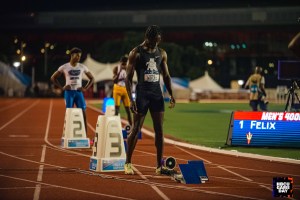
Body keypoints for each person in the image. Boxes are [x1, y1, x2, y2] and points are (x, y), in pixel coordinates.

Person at [124, 25, 175, 175]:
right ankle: (127, 163)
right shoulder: (136, 53)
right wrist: (131, 99)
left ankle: (159, 166)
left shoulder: (162, 53)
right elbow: (128, 78)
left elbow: (166, 76)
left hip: (157, 95)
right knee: (136, 129)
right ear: (148, 38)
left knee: (159, 130)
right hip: (142, 94)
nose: (156, 44)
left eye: (158, 41)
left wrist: (171, 94)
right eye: (154, 41)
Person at [50, 47, 94, 136]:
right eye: (77, 56)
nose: (79, 57)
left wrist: (85, 88)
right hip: (69, 93)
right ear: (72, 55)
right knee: (69, 114)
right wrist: (62, 87)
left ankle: (85, 136)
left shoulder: (82, 67)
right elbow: (53, 78)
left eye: (80, 56)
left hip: (78, 93)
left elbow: (92, 78)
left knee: (83, 114)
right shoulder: (64, 67)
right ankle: (67, 134)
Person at [112, 55, 133, 126]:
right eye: (123, 63)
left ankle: (132, 126)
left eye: (125, 63)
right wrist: (119, 71)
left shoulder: (129, 69)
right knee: (117, 109)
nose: (124, 65)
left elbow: (130, 80)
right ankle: (114, 126)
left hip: (125, 89)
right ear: (120, 63)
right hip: (117, 89)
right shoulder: (116, 68)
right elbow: (114, 81)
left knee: (128, 110)